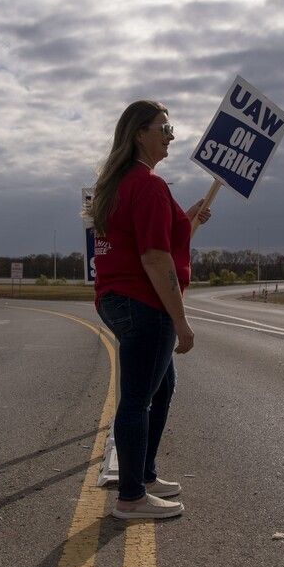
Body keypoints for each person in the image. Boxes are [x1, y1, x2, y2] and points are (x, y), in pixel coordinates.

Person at [87, 99, 211, 520]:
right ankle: (132, 497)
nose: (170, 135)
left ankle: (145, 472)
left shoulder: (121, 183)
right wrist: (182, 322)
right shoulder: (149, 186)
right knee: (138, 399)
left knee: (161, 388)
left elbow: (158, 241)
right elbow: (156, 259)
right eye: (164, 127)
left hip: (116, 299)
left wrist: (188, 220)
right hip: (144, 302)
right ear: (140, 133)